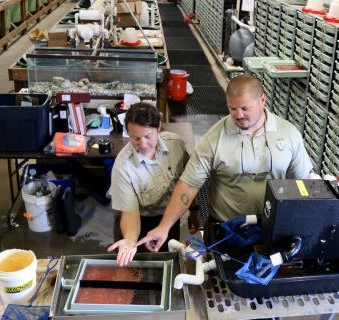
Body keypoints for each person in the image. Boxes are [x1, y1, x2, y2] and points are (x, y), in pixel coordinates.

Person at [137, 74, 313, 252]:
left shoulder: (289, 134)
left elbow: (302, 181)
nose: (239, 115)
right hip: (226, 231)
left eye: (245, 108)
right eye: (232, 108)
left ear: (262, 100)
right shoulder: (214, 139)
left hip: (271, 229)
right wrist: (164, 226)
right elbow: (188, 185)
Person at [107, 102, 194, 266]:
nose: (143, 145)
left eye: (148, 136)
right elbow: (130, 214)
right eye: (135, 138)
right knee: (135, 267)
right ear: (128, 133)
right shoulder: (123, 167)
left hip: (169, 216)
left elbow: (189, 181)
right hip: (138, 219)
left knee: (168, 263)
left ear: (159, 127)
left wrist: (194, 210)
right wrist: (130, 240)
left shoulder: (176, 145)